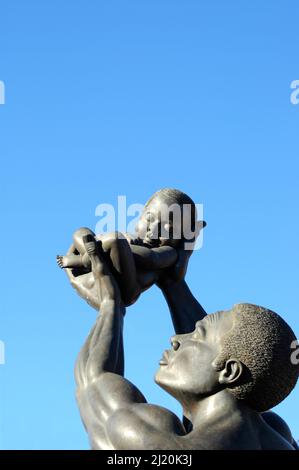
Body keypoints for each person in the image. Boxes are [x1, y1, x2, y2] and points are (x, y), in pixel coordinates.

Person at [74, 233, 299, 450]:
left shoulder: (159, 444)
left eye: (196, 335)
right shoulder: (281, 437)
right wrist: (173, 284)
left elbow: (92, 383)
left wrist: (111, 303)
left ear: (230, 372)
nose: (176, 339)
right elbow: (220, 350)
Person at [57, 188, 205, 308]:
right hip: (105, 275)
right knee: (81, 231)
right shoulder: (130, 238)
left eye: (168, 229)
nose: (152, 232)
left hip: (128, 290)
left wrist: (120, 247)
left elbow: (151, 259)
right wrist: (103, 241)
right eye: (149, 219)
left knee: (115, 240)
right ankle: (91, 256)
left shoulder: (169, 252)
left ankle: (85, 260)